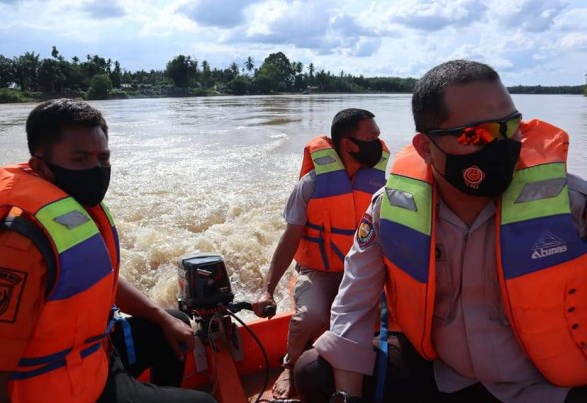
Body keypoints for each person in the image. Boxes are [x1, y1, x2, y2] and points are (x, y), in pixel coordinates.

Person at [294, 59, 587, 403]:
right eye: (477, 134)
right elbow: (354, 304)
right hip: (444, 373)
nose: (503, 144)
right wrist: (348, 396)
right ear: (425, 148)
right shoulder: (390, 209)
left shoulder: (570, 205)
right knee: (313, 372)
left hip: (543, 384)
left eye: (511, 127)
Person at [0, 99, 216, 403]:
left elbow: (92, 277)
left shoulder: (73, 211)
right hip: (59, 389)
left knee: (173, 325)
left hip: (94, 358)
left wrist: (161, 317)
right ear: (40, 165)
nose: (96, 169)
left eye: (103, 158)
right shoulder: (16, 246)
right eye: (81, 160)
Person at [252, 108, 390, 399]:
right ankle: (290, 366)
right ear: (348, 144)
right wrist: (267, 291)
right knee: (311, 316)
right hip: (318, 271)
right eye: (371, 137)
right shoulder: (312, 184)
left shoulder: (381, 186)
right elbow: (289, 239)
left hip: (362, 270)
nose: (378, 143)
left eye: (378, 136)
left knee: (391, 312)